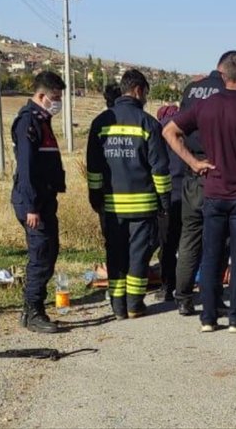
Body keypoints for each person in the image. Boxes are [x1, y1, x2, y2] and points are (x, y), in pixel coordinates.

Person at [163, 52, 236, 333]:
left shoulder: (204, 106)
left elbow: (169, 132)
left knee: (209, 255)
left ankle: (208, 317)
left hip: (213, 192)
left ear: (223, 77)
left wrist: (194, 162)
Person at [86, 70, 172, 319]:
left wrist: (95, 196)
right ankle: (135, 304)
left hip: (111, 207)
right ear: (137, 90)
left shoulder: (100, 123)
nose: (145, 96)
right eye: (145, 91)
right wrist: (164, 201)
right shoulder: (148, 124)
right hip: (142, 207)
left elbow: (93, 166)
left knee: (115, 255)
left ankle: (118, 307)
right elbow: (159, 169)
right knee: (138, 255)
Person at [171, 51, 236, 316]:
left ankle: (183, 298)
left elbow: (174, 130)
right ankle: (214, 296)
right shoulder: (227, 91)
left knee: (189, 238)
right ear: (229, 71)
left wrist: (190, 161)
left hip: (193, 171)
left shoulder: (192, 89)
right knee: (219, 240)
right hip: (219, 173)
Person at [11, 71, 67, 334]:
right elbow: (26, 168)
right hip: (32, 202)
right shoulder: (28, 122)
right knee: (41, 255)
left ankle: (32, 309)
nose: (58, 103)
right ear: (42, 96)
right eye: (55, 98)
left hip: (45, 199)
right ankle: (33, 312)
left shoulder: (43, 121)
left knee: (49, 251)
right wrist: (32, 206)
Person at [156, 103, 183, 303]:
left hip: (168, 193)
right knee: (189, 244)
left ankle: (167, 286)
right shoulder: (188, 127)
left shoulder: (159, 130)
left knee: (167, 244)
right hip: (190, 191)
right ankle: (185, 287)